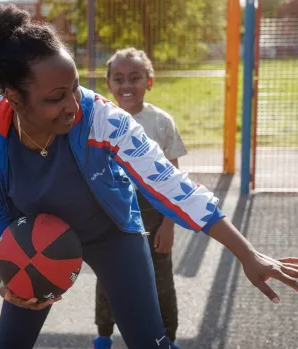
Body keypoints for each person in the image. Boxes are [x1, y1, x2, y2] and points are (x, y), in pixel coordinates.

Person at [0, 5, 298, 349]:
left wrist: (246, 253)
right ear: (14, 97)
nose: (73, 104)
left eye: (74, 87)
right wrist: (3, 274)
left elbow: (170, 183)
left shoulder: (100, 118)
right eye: (55, 98)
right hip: (36, 246)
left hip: (111, 232)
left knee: (149, 341)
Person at [92, 48, 187, 349]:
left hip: (153, 212)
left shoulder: (161, 122)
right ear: (108, 84)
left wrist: (169, 224)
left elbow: (173, 180)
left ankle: (167, 338)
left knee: (159, 281)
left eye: (135, 77)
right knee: (110, 277)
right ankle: (104, 336)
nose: (127, 85)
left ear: (150, 81)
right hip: (112, 212)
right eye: (118, 78)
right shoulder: (98, 119)